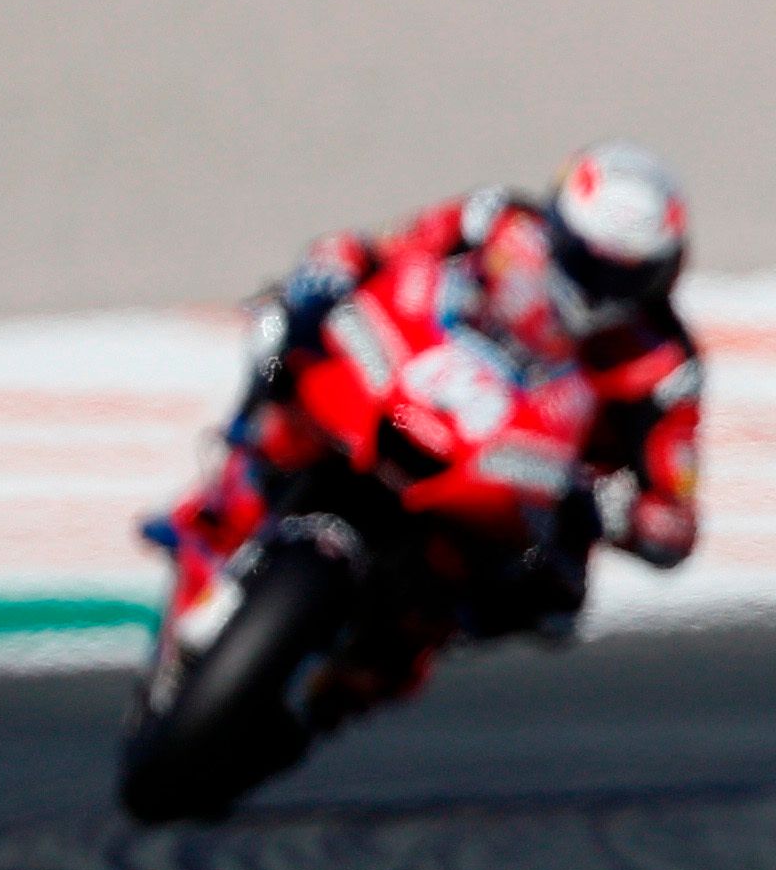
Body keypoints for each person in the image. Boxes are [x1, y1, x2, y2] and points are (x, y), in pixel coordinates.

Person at [153, 141, 703, 653]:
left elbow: (675, 514)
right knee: (283, 330)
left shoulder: (664, 364)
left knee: (554, 592)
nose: (601, 287)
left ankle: (399, 646)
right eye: (589, 262)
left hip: (523, 481)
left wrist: (628, 513)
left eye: (625, 276)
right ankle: (237, 464)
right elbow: (385, 247)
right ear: (559, 227)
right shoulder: (494, 221)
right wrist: (335, 268)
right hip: (421, 382)